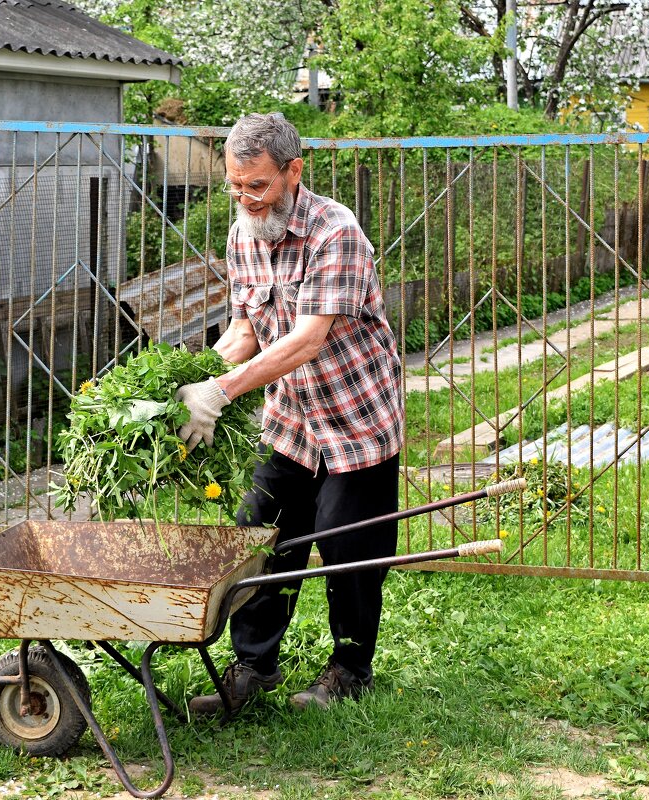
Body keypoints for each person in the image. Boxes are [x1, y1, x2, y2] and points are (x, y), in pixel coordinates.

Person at [173, 112, 404, 713]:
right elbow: (246, 327)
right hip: (291, 418)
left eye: (258, 186)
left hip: (356, 416)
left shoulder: (336, 233)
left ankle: (351, 668)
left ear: (294, 171)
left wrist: (224, 391)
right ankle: (253, 669)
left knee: (347, 545)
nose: (246, 199)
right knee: (262, 534)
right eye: (235, 185)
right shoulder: (242, 234)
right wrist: (196, 379)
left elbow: (306, 339)